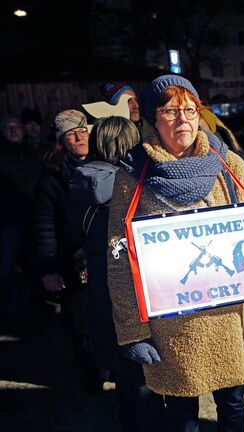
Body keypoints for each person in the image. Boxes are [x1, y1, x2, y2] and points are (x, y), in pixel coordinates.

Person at [106, 74, 244, 432]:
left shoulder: (228, 165)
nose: (182, 119)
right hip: (171, 326)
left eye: (190, 109)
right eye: (170, 111)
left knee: (233, 404)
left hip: (226, 316)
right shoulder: (134, 174)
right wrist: (132, 331)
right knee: (181, 413)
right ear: (153, 119)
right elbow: (119, 257)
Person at [66, 114, 164, 431]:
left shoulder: (78, 182)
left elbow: (71, 234)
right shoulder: (133, 190)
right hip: (136, 289)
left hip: (100, 287)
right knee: (148, 378)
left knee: (126, 380)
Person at [34, 109, 103, 390]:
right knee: (81, 320)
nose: (79, 137)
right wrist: (49, 269)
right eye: (72, 134)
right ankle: (93, 374)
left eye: (83, 131)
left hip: (103, 256)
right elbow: (44, 226)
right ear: (62, 141)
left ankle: (110, 366)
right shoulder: (52, 179)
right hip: (72, 261)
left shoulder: (104, 165)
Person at [0, 115, 41, 329]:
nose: (13, 130)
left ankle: (41, 308)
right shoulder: (2, 156)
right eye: (8, 128)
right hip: (9, 221)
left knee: (35, 264)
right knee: (6, 268)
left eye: (16, 127)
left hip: (34, 218)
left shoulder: (33, 154)